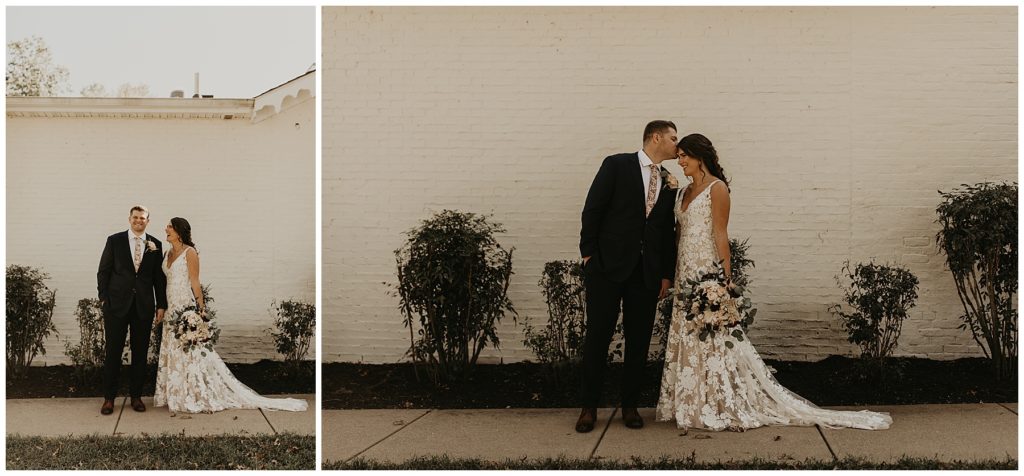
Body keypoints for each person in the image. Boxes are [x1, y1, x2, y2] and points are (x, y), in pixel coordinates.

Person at [656, 133, 891, 431]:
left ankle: (716, 402)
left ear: (699, 156)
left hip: (707, 273)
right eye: (678, 157)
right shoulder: (682, 193)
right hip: (685, 274)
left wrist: (725, 280)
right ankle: (690, 402)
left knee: (714, 339)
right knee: (689, 335)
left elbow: (720, 234)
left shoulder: (718, 189)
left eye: (684, 156)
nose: (680, 162)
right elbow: (678, 236)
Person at [575, 120, 680, 432]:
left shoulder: (669, 180)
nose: (678, 144)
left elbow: (664, 231)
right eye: (673, 138)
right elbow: (593, 208)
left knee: (639, 341)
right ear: (656, 137)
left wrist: (665, 274)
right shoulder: (617, 165)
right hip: (606, 268)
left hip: (645, 274)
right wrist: (588, 253)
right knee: (597, 337)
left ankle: (630, 406)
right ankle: (588, 408)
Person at [153, 217, 307, 413]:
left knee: (190, 353)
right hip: (171, 308)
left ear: (178, 231)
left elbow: (195, 282)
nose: (165, 229)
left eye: (169, 226)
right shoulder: (166, 254)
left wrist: (200, 311)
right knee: (174, 351)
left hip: (185, 307)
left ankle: (195, 393)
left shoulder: (190, 253)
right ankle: (176, 392)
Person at [97, 205, 168, 415]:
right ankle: (109, 399)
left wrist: (161, 304)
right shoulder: (114, 240)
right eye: (135, 217)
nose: (139, 221)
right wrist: (103, 298)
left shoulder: (155, 244)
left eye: (143, 218)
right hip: (116, 306)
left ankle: (136, 397)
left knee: (140, 353)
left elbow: (158, 278)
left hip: (143, 307)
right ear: (130, 219)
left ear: (148, 221)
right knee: (113, 352)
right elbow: (103, 271)